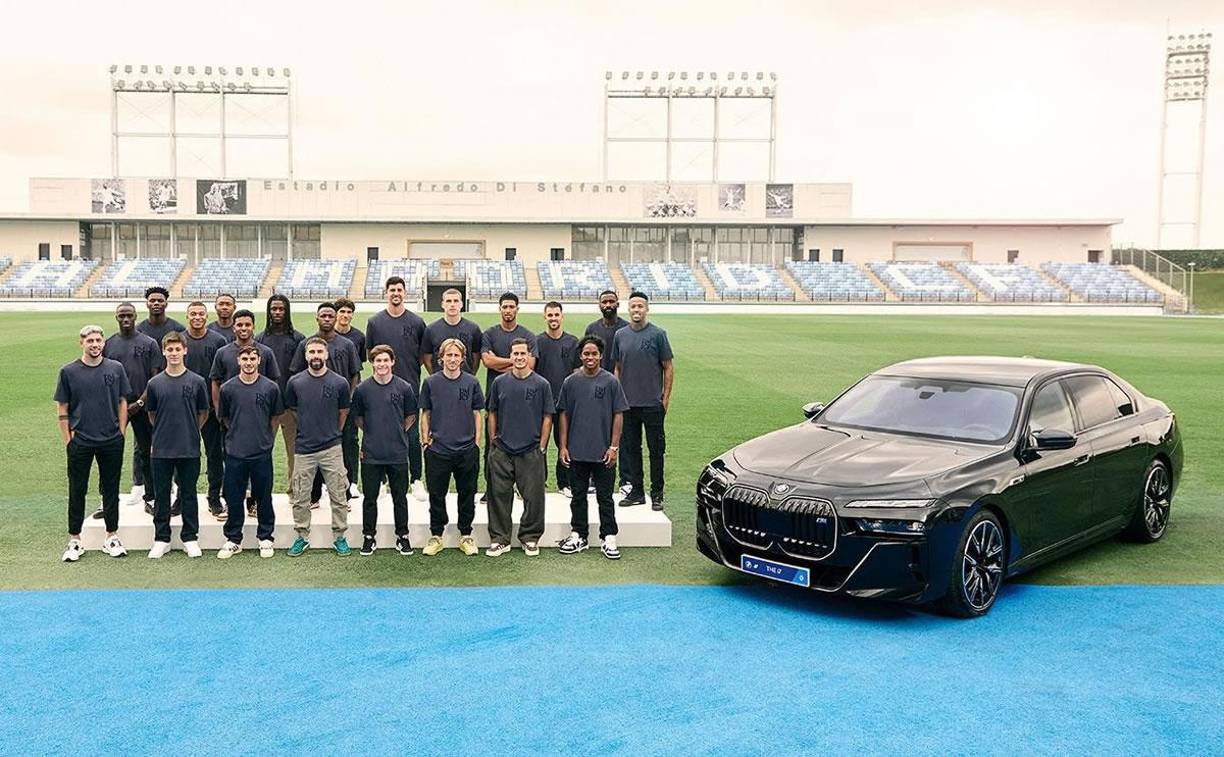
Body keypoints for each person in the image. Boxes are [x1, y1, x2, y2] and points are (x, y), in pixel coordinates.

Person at [57, 324, 131, 561]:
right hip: (81, 441)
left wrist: (121, 432)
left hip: (111, 439)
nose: (95, 345)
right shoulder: (68, 371)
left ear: (103, 343)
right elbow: (62, 407)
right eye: (90, 341)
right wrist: (68, 440)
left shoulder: (115, 368)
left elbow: (122, 401)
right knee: (77, 489)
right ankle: (75, 540)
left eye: (98, 340)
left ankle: (111, 536)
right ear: (82, 343)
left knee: (111, 489)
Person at [557, 335, 629, 560]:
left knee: (605, 497)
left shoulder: (610, 382)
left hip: (603, 453)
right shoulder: (570, 382)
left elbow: (618, 414)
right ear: (581, 355)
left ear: (600, 355)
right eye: (586, 353)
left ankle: (608, 537)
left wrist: (614, 447)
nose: (590, 357)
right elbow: (564, 415)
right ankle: (579, 534)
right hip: (577, 451)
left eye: (594, 353)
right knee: (578, 496)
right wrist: (563, 447)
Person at [285, 337, 354, 557]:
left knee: (338, 494)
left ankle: (340, 536)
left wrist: (332, 433)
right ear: (306, 356)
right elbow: (294, 410)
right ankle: (301, 536)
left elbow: (343, 412)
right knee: (301, 495)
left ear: (326, 355)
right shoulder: (295, 382)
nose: (316, 356)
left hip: (331, 447)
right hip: (304, 448)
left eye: (319, 352)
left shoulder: (339, 382)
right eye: (311, 352)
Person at [143, 332, 209, 559]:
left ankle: (190, 537)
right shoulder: (154, 383)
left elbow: (203, 413)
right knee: (162, 495)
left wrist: (189, 431)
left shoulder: (197, 382)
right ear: (163, 351)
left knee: (188, 494)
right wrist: (165, 433)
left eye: (177, 349)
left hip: (189, 446)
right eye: (169, 350)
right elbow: (152, 415)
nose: (173, 353)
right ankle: (162, 538)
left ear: (185, 350)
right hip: (161, 448)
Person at [486, 339, 553, 557]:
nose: (519, 357)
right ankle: (500, 538)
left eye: (523, 353)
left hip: (530, 449)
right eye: (515, 353)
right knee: (498, 496)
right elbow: (492, 412)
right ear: (511, 355)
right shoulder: (499, 383)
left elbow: (547, 417)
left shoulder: (542, 384)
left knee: (534, 497)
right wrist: (494, 440)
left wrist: (542, 445)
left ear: (529, 355)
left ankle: (530, 537)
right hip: (503, 449)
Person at [290, 302, 362, 506]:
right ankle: (314, 495)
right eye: (324, 315)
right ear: (317, 317)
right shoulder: (307, 344)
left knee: (344, 449)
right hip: (313, 409)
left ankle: (343, 495)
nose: (327, 319)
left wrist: (347, 398)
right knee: (312, 451)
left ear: (335, 318)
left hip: (340, 408)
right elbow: (296, 374)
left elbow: (355, 374)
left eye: (331, 315)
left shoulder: (346, 345)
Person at [209, 309, 280, 516]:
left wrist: (268, 425)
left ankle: (255, 502)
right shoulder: (223, 352)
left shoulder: (265, 353)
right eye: (239, 325)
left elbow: (273, 384)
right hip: (232, 417)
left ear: (253, 327)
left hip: (258, 418)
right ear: (234, 327)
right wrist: (219, 411)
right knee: (230, 460)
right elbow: (215, 381)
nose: (243, 328)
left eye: (247, 325)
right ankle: (231, 500)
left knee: (259, 464)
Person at [216, 345, 284, 559]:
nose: (248, 362)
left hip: (261, 452)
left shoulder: (270, 388)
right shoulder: (228, 388)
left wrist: (265, 439)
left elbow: (274, 418)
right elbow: (225, 417)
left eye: (252, 358)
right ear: (238, 361)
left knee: (263, 496)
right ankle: (234, 539)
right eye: (244, 358)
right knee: (234, 497)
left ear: (259, 360)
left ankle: (265, 537)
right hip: (235, 452)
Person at [418, 338, 484, 557]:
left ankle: (465, 534)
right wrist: (425, 440)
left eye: (457, 355)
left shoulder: (472, 383)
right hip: (438, 450)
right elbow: (425, 413)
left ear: (463, 359)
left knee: (467, 493)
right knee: (437, 495)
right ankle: (436, 535)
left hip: (466, 449)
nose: (453, 359)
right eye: (449, 355)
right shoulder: (430, 383)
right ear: (441, 358)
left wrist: (476, 443)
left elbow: (477, 413)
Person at [350, 345, 418, 556]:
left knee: (400, 497)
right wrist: (373, 432)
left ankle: (402, 536)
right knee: (370, 498)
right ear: (372, 363)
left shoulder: (404, 388)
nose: (382, 365)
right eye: (377, 361)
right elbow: (359, 419)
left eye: (385, 361)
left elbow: (410, 416)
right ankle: (369, 537)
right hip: (371, 453)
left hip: (397, 453)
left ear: (392, 362)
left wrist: (396, 431)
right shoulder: (362, 389)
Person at [366, 276, 429, 500]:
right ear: (386, 292)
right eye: (392, 289)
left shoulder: (417, 322)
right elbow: (372, 356)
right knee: (382, 435)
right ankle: (383, 482)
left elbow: (422, 355)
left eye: (399, 289)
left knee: (411, 436)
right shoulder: (375, 323)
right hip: (380, 389)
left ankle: (416, 480)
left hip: (409, 387)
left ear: (405, 293)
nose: (396, 293)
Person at [612, 292, 674, 511]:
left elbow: (667, 366)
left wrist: (665, 398)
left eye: (640, 306)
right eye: (633, 306)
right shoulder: (620, 335)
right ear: (628, 309)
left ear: (647, 309)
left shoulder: (658, 334)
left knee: (656, 450)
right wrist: (617, 397)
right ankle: (637, 491)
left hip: (652, 404)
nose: (636, 310)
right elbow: (617, 368)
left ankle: (657, 494)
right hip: (628, 404)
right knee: (632, 450)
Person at [103, 302, 163, 514]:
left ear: (136, 316)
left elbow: (155, 378)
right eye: (122, 316)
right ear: (116, 317)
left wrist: (139, 403)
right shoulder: (109, 344)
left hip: (142, 406)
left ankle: (151, 496)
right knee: (109, 454)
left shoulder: (149, 343)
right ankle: (107, 500)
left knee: (147, 453)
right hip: (115, 407)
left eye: (129, 315)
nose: (126, 319)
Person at [479, 292, 537, 501]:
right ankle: (492, 489)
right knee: (493, 446)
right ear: (500, 309)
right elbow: (487, 361)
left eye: (512, 306)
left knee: (522, 446)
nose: (508, 310)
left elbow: (530, 365)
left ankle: (521, 487)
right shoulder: (490, 334)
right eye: (505, 307)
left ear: (517, 309)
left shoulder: (528, 336)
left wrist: (500, 361)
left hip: (523, 403)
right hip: (496, 401)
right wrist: (514, 363)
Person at [182, 301, 230, 518]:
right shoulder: (180, 340)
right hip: (183, 408)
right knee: (183, 455)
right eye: (193, 314)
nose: (197, 317)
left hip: (209, 408)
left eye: (201, 313)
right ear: (187, 316)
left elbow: (219, 376)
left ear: (206, 315)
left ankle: (214, 497)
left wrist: (217, 406)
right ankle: (181, 497)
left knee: (214, 454)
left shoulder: (218, 340)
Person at [255, 294, 304, 490]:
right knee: (262, 451)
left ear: (287, 311)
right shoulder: (260, 339)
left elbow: (301, 374)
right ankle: (260, 492)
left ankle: (294, 491)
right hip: (266, 406)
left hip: (291, 407)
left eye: (281, 309)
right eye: (273, 309)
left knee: (294, 452)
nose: (277, 312)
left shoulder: (298, 339)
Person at [584, 289, 629, 491]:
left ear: (618, 304)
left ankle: (626, 479)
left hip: (620, 388)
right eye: (605, 301)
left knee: (622, 434)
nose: (608, 305)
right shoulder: (592, 328)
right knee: (597, 431)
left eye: (612, 301)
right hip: (595, 387)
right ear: (599, 304)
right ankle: (594, 477)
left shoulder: (626, 329)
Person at [535, 300, 580, 497]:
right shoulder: (537, 342)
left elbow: (578, 372)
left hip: (565, 404)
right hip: (542, 404)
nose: (553, 318)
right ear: (545, 317)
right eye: (550, 315)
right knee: (539, 443)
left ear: (562, 316)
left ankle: (565, 483)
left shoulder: (573, 342)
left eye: (556, 315)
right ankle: (539, 482)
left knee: (566, 443)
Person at [333, 297, 367, 499]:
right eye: (342, 312)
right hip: (329, 398)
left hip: (351, 396)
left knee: (351, 439)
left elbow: (357, 367)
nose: (345, 316)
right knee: (329, 440)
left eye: (348, 312)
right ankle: (329, 482)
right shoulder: (327, 335)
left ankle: (352, 481)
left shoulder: (358, 337)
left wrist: (352, 394)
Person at [421, 287, 482, 375]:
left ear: (461, 304)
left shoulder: (473, 329)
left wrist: (470, 374)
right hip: (439, 381)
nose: (452, 304)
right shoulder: (431, 329)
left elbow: (476, 357)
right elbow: (427, 358)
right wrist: (436, 375)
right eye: (449, 301)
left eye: (456, 301)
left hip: (465, 381)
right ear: (442, 304)